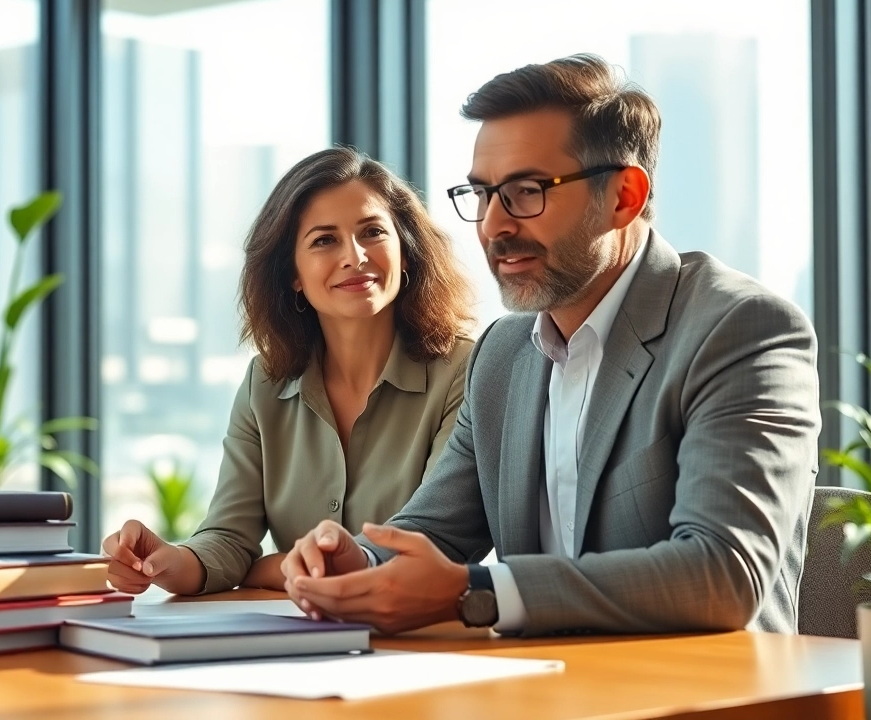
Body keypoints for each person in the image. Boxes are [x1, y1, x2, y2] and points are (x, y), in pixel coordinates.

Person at [281, 54, 821, 636]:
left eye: (526, 191)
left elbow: (723, 574)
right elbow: (433, 531)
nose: (492, 226)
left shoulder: (742, 329)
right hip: (543, 685)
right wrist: (355, 561)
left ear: (624, 196)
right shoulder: (504, 353)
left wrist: (476, 592)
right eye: (483, 194)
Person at [103, 147, 475, 596]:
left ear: (407, 253)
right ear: (293, 274)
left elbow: (426, 546)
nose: (355, 257)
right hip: (298, 635)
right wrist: (167, 562)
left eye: (372, 232)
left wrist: (261, 569)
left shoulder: (464, 372)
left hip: (422, 642)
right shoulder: (265, 382)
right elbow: (227, 539)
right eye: (324, 240)